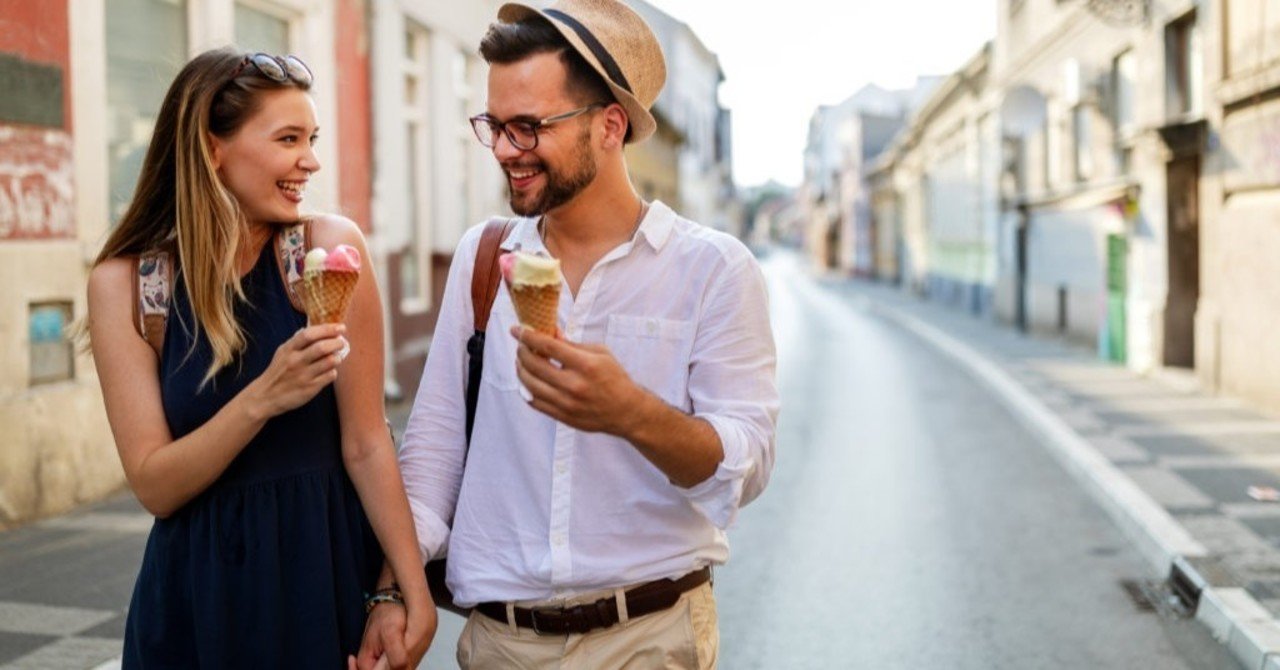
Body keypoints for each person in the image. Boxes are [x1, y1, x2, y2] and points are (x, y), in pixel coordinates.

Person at [359, 1, 779, 667]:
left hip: (648, 637)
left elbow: (743, 468)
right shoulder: (482, 259)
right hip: (499, 643)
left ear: (609, 126)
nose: (504, 150)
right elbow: (435, 453)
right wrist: (390, 594)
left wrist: (630, 413)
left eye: (528, 127)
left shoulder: (712, 270)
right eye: (494, 126)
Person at [83, 47, 433, 668]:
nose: (311, 160)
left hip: (322, 585)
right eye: (289, 138)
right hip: (196, 602)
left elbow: (367, 442)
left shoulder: (327, 253)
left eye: (314, 137)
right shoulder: (130, 286)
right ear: (212, 148)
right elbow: (154, 485)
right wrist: (264, 396)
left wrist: (405, 589)